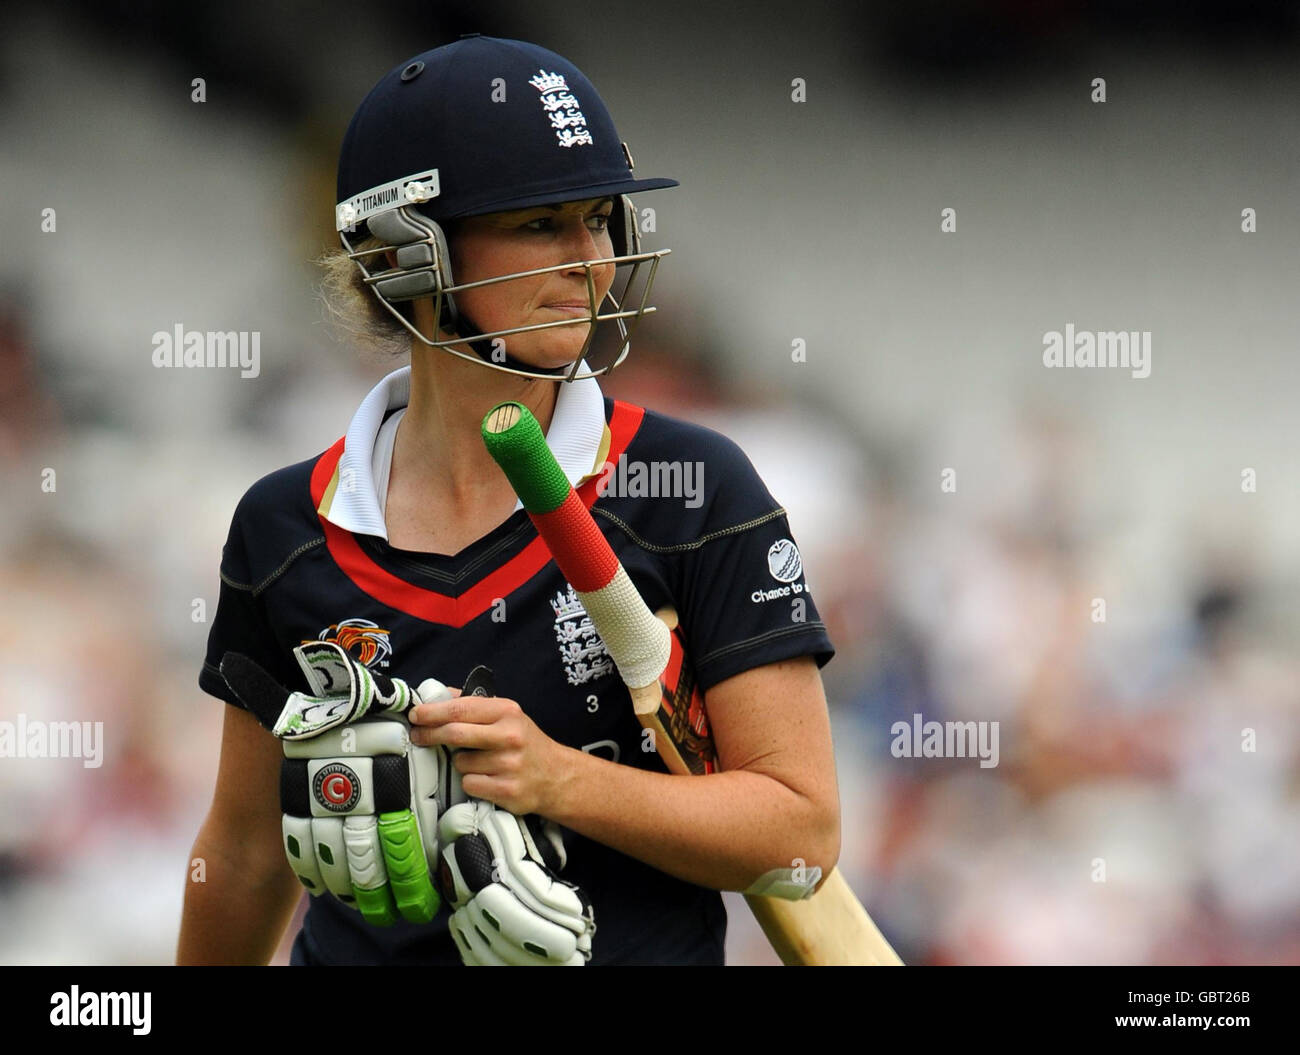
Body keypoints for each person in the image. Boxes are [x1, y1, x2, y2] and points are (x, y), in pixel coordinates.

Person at [177, 34, 840, 967]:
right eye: (538, 225)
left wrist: (561, 781)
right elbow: (246, 856)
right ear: (406, 254)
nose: (588, 260)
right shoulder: (284, 528)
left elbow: (800, 834)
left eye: (599, 219)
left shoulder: (692, 488)